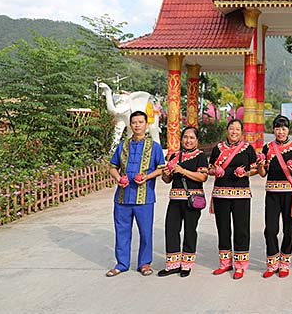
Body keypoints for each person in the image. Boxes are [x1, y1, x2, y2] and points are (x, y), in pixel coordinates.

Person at [106, 110, 165, 277]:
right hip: (122, 197)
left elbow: (161, 169)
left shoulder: (155, 147)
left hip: (145, 197)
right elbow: (112, 167)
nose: (137, 125)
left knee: (145, 232)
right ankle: (121, 263)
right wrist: (118, 178)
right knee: (121, 231)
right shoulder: (122, 146)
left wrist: (147, 177)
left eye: (141, 122)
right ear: (130, 125)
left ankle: (144, 264)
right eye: (134, 122)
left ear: (146, 125)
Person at [208, 119, 258, 279]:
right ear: (227, 130)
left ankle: (240, 265)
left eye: (237, 129)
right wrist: (216, 171)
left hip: (241, 195)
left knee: (241, 229)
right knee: (223, 228)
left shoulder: (247, 149)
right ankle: (225, 263)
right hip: (221, 194)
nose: (234, 132)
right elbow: (210, 168)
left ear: (241, 132)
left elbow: (255, 169)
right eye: (231, 128)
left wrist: (245, 173)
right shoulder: (218, 148)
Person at [257, 115, 292, 278]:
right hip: (272, 194)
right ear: (273, 130)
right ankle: (272, 262)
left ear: (288, 130)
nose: (281, 132)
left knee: (289, 229)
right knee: (270, 230)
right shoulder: (267, 148)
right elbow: (263, 173)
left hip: (290, 194)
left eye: (284, 128)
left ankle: (285, 263)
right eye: (278, 128)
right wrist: (260, 165)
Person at [158, 126, 208, 277]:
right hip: (175, 199)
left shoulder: (200, 156)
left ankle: (186, 264)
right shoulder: (175, 156)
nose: (188, 140)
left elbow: (203, 177)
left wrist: (183, 171)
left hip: (192, 200)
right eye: (185, 137)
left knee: (190, 230)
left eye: (192, 138)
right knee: (171, 229)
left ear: (197, 140)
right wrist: (166, 174)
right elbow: (167, 180)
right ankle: (172, 264)